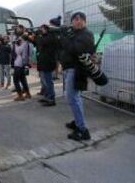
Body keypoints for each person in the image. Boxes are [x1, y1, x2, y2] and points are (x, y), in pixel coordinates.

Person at [60, 12, 93, 141]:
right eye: (75, 19)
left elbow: (74, 49)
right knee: (76, 98)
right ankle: (78, 122)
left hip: (76, 70)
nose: (78, 21)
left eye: (81, 19)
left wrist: (65, 36)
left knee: (72, 98)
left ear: (85, 22)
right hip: (70, 69)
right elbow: (64, 47)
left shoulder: (86, 34)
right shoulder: (75, 34)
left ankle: (82, 130)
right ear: (72, 21)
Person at [36, 24, 58, 106]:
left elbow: (41, 41)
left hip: (48, 62)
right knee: (46, 80)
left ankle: (51, 98)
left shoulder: (51, 37)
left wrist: (39, 35)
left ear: (46, 29)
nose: (41, 30)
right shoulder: (47, 36)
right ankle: (47, 96)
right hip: (45, 62)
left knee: (49, 81)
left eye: (42, 29)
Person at [12, 30, 33, 101]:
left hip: (19, 64)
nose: (19, 38)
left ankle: (20, 95)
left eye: (20, 38)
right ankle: (28, 93)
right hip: (24, 64)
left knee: (15, 80)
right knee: (23, 79)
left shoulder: (23, 44)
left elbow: (17, 52)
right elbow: (30, 54)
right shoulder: (30, 44)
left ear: (23, 38)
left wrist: (15, 45)